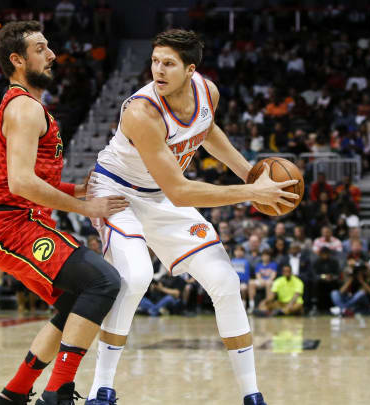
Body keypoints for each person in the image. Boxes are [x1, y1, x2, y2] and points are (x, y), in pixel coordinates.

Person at [85, 29, 298, 405]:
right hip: (117, 192)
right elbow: (180, 191)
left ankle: (252, 395)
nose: (158, 70)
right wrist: (251, 192)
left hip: (159, 195)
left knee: (226, 281)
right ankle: (99, 391)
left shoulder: (207, 92)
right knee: (135, 277)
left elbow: (208, 130)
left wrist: (251, 174)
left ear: (190, 69)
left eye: (168, 63)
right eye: (154, 61)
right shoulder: (141, 111)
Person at [0, 21, 126, 405]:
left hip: (21, 221)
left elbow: (30, 177)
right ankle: (57, 393)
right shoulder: (25, 108)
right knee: (103, 283)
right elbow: (21, 184)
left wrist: (73, 189)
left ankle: (13, 394)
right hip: (13, 225)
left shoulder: (26, 105)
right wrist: (85, 206)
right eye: (41, 48)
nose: (52, 55)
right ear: (17, 59)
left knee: (75, 298)